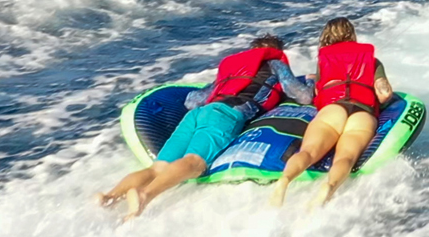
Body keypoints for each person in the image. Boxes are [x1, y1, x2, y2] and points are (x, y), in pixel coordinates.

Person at [97, 34, 311, 220]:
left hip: (197, 114)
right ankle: (145, 196)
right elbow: (300, 95)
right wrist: (309, 84)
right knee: (194, 163)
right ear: (276, 52)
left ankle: (110, 197)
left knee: (157, 167)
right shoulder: (276, 64)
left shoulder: (231, 70)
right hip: (226, 114)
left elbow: (193, 100)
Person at [269, 17, 395, 209]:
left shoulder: (324, 60)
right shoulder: (372, 60)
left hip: (333, 109)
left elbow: (319, 92)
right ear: (352, 34)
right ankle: (329, 187)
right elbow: (384, 94)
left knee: (309, 152)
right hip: (362, 111)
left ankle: (285, 181)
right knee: (346, 157)